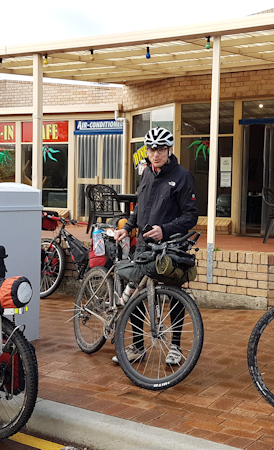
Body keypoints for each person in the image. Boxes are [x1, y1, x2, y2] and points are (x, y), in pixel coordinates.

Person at [112, 127, 198, 365]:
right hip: (144, 245)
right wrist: (128, 227)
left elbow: (191, 216)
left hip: (170, 247)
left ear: (169, 150)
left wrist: (165, 230)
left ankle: (176, 346)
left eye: (160, 149)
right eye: (151, 149)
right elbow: (140, 207)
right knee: (136, 294)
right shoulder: (147, 173)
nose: (155, 154)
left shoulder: (182, 176)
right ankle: (138, 346)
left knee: (175, 294)